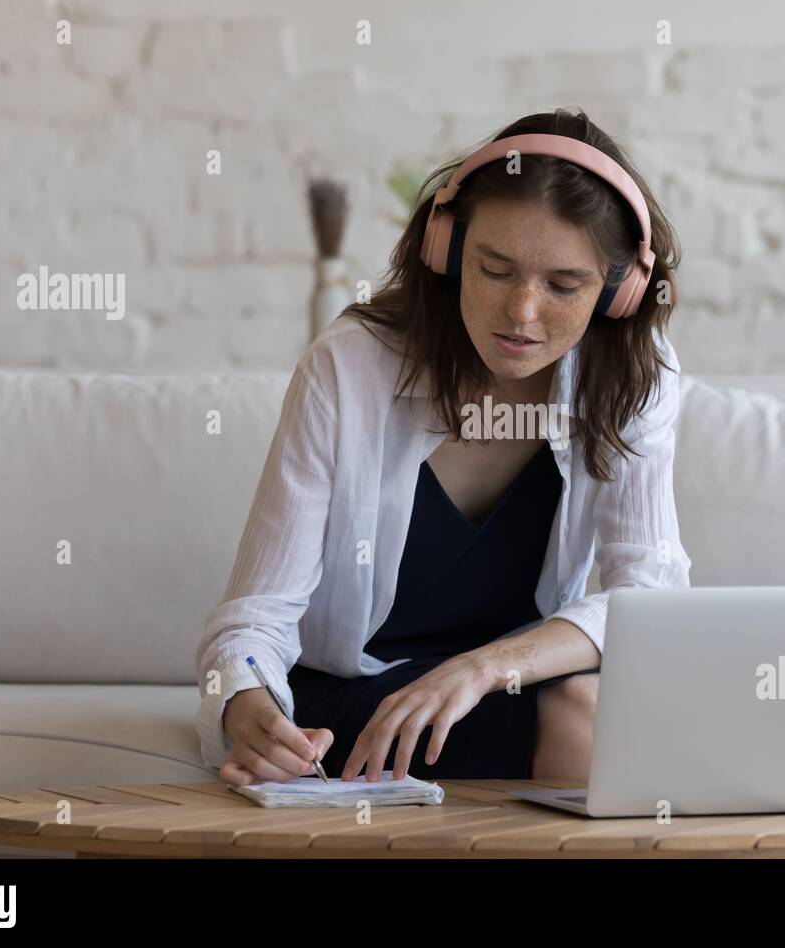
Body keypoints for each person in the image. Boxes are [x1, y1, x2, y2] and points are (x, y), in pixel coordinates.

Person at [194, 106, 692, 787]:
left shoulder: (635, 374)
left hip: (508, 683)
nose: (522, 312)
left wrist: (486, 667)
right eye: (495, 269)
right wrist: (246, 711)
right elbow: (253, 620)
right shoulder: (350, 367)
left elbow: (652, 594)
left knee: (604, 701)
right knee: (584, 714)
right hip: (359, 703)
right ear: (447, 250)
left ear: (618, 291)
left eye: (563, 285)